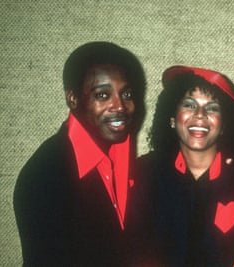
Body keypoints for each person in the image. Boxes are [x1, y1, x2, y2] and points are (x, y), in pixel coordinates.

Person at [13, 41, 147, 266]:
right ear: (73, 99)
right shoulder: (43, 178)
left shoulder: (121, 155)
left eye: (127, 93)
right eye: (103, 95)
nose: (120, 106)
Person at [127, 66, 234, 266]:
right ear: (172, 119)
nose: (200, 115)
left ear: (224, 124)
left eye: (212, 108)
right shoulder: (143, 175)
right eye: (189, 105)